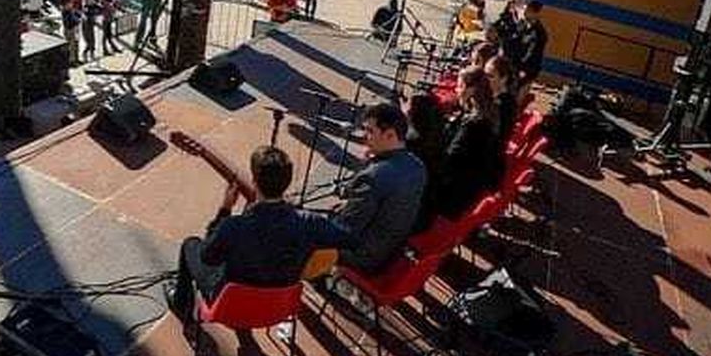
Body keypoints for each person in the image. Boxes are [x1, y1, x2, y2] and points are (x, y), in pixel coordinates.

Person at [165, 145, 350, 322]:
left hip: (231, 306)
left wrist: (224, 210)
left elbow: (208, 257)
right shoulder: (311, 222)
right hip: (280, 306)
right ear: (287, 183)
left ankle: (181, 303)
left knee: (190, 244)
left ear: (254, 181)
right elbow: (347, 238)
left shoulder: (233, 226)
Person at [334, 103, 428, 274]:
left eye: (370, 131)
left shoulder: (374, 177)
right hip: (391, 251)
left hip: (363, 256)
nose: (365, 136)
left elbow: (345, 229)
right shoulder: (417, 166)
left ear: (390, 135)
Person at [430, 68, 505, 219]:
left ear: (470, 90)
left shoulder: (474, 124)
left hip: (453, 198)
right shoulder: (489, 112)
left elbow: (449, 160)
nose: (456, 90)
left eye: (459, 86)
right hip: (468, 190)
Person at [517, 0, 548, 85]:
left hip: (527, 70)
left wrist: (521, 68)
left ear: (535, 13)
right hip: (515, 67)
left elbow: (532, 54)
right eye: (524, 9)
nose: (524, 12)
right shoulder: (521, 25)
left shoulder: (539, 33)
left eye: (527, 10)